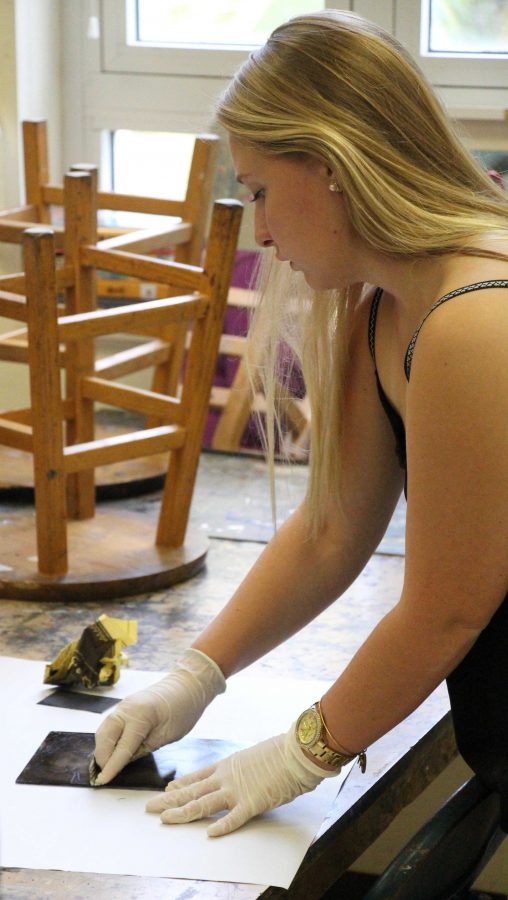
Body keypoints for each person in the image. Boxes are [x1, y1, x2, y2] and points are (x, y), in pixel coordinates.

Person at [94, 9, 508, 838]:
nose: (260, 232)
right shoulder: (385, 304)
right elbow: (331, 530)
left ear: (330, 165)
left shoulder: (474, 319)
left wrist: (301, 753)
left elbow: (449, 608)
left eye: (257, 192)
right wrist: (193, 676)